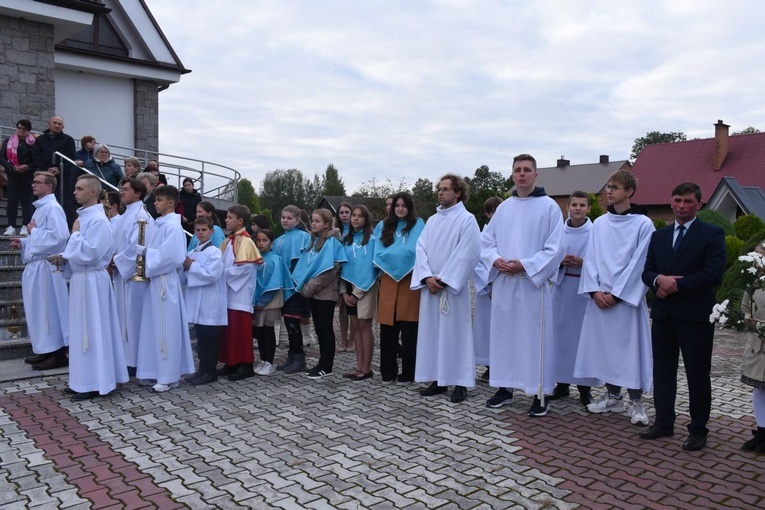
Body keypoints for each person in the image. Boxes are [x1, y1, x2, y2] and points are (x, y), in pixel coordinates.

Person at [640, 182, 726, 451]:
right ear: (671, 201)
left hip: (695, 316)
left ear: (699, 204)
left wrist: (675, 285)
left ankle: (698, 428)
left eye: (688, 201)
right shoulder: (660, 236)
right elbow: (647, 272)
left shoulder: (712, 234)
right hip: (664, 315)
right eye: (677, 200)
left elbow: (713, 274)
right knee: (663, 372)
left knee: (697, 374)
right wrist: (658, 280)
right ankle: (664, 421)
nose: (681, 206)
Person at [481, 154, 563, 416]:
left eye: (527, 169)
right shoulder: (504, 208)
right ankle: (504, 388)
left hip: (531, 286)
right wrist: (495, 261)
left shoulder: (549, 207)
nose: (522, 174)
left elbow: (556, 248)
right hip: (505, 282)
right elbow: (486, 241)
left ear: (536, 174)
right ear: (512, 174)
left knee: (534, 340)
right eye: (517, 170)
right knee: (504, 338)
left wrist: (525, 265)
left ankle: (540, 393)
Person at [574, 170, 654, 425]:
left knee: (630, 352)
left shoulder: (643, 224)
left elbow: (640, 263)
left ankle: (637, 403)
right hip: (600, 299)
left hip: (625, 301)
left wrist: (617, 295)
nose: (608, 191)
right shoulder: (599, 224)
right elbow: (592, 258)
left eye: (614, 187)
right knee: (605, 350)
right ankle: (612, 397)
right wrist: (595, 291)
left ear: (629, 192)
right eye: (607, 187)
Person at [55, 174, 128, 400]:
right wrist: (64, 258)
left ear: (93, 192)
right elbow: (79, 251)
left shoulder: (98, 220)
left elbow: (92, 252)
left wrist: (74, 236)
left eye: (79, 189)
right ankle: (81, 379)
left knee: (93, 330)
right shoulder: (85, 218)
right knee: (81, 331)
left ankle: (97, 382)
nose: (75, 192)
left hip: (92, 281)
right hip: (81, 280)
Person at [412, 175, 481, 403]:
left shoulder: (467, 219)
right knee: (433, 335)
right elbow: (420, 249)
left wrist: (444, 280)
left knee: (456, 335)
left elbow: (468, 252)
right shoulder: (432, 220)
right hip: (431, 287)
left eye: (446, 189)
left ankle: (460, 382)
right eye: (439, 189)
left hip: (451, 290)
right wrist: (427, 277)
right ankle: (438, 379)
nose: (441, 193)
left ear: (458, 192)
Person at [135, 185, 195, 392]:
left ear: (170, 202)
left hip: (164, 283)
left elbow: (174, 256)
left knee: (165, 329)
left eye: (159, 200)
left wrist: (145, 252)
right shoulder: (162, 225)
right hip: (157, 282)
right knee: (155, 327)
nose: (155, 204)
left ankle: (168, 376)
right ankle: (156, 371)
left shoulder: (173, 227)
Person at [10, 171, 69, 370]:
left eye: (38, 182)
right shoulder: (41, 208)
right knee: (38, 310)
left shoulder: (53, 208)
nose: (33, 185)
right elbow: (41, 237)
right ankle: (45, 350)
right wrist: (25, 243)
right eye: (33, 182)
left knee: (48, 310)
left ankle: (57, 353)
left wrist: (33, 232)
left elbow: (59, 237)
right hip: (37, 267)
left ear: (49, 186)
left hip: (46, 267)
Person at [548, 191, 600, 406]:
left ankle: (584, 388)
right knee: (560, 338)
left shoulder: (596, 231)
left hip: (584, 291)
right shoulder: (558, 231)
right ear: (567, 207)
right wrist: (560, 262)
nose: (578, 208)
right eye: (574, 204)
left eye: (582, 205)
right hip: (562, 288)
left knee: (582, 340)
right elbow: (548, 256)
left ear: (589, 208)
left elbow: (602, 258)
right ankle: (561, 384)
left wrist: (583, 262)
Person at [373, 192, 424, 384]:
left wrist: (395, 255)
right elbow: (377, 250)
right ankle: (388, 372)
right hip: (387, 280)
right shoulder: (384, 225)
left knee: (410, 331)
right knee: (388, 330)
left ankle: (409, 373)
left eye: (404, 205)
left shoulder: (418, 224)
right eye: (397, 205)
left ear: (409, 207)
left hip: (410, 281)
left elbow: (416, 249)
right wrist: (395, 256)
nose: (400, 209)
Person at [292, 209, 347, 379]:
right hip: (314, 293)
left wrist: (309, 288)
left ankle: (327, 365)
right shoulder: (314, 241)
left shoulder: (333, 243)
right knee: (319, 329)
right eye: (312, 221)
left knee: (325, 330)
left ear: (326, 224)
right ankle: (321, 363)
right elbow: (308, 265)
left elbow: (329, 272)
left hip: (325, 294)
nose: (313, 223)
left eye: (317, 221)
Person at [112, 176, 155, 377]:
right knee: (123, 317)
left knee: (133, 317)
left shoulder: (141, 216)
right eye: (122, 189)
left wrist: (116, 261)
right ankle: (125, 358)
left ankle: (135, 360)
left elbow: (137, 247)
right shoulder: (124, 215)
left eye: (126, 189)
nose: (122, 192)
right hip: (122, 276)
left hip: (134, 278)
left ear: (138, 193)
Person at [218, 205, 262, 381]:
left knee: (240, 331)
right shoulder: (230, 240)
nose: (226, 220)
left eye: (230, 217)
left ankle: (245, 364)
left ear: (240, 221)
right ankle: (231, 362)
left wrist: (221, 275)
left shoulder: (246, 241)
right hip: (228, 292)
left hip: (239, 293)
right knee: (229, 331)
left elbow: (244, 269)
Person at [183, 216, 227, 386]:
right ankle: (202, 369)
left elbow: (211, 275)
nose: (200, 233)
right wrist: (188, 266)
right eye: (198, 230)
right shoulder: (192, 253)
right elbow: (185, 275)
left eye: (204, 230)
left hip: (209, 301)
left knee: (209, 338)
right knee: (200, 338)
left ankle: (210, 371)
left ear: (211, 231)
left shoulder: (215, 252)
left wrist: (191, 266)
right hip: (196, 301)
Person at [340, 205, 379, 380]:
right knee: (355, 327)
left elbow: (370, 269)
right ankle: (358, 365)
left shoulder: (371, 241)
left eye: (359, 216)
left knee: (364, 327)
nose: (355, 218)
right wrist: (343, 292)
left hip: (365, 288)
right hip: (348, 287)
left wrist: (357, 294)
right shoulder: (345, 239)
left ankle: (367, 368)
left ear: (366, 220)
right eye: (353, 215)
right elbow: (342, 265)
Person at [273, 205, 312, 373]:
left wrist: (296, 281)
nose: (286, 220)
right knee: (288, 323)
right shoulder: (279, 239)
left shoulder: (303, 236)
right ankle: (292, 355)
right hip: (283, 286)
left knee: (293, 322)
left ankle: (299, 357)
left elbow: (303, 261)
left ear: (297, 220)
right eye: (283, 217)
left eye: (289, 218)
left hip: (296, 286)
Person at [252, 229, 295, 376]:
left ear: (272, 242)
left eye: (264, 240)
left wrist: (262, 301)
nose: (261, 243)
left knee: (268, 332)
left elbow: (274, 282)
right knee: (260, 333)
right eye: (258, 240)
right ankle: (263, 360)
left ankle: (270, 362)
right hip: (257, 302)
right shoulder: (255, 258)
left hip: (269, 302)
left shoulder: (276, 259)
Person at [738, 244, 765, 453]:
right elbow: (745, 307)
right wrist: (748, 319)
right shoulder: (754, 282)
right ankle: (762, 430)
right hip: (758, 343)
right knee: (759, 388)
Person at [473, 196, 503, 382]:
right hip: (487, 292)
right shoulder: (480, 237)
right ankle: (489, 365)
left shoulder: (508, 234)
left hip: (505, 288)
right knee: (486, 329)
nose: (496, 215)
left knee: (502, 328)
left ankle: (502, 363)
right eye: (493, 211)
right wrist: (489, 285)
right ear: (487, 214)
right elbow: (475, 263)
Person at [29, 115, 77, 228]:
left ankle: (66, 227)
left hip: (62, 177)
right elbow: (36, 157)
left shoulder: (68, 140)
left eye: (59, 124)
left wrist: (59, 169)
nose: (56, 125)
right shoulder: (40, 140)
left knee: (64, 201)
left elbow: (71, 158)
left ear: (63, 126)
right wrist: (46, 170)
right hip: (44, 176)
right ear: (49, 124)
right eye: (54, 123)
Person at [2, 119, 36, 236]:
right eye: (19, 128)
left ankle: (25, 226)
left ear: (28, 131)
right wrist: (10, 166)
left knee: (27, 202)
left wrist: (27, 167)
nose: (21, 130)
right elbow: (2, 158)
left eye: (24, 129)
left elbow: (36, 159)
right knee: (12, 201)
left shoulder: (32, 144)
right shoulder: (8, 141)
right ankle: (11, 226)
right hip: (13, 175)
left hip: (27, 175)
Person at [334, 202, 354, 352]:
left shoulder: (358, 231)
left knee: (353, 308)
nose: (345, 215)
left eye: (347, 212)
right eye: (341, 212)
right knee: (342, 310)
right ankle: (343, 339)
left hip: (354, 273)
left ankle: (352, 340)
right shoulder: (335, 231)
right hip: (340, 273)